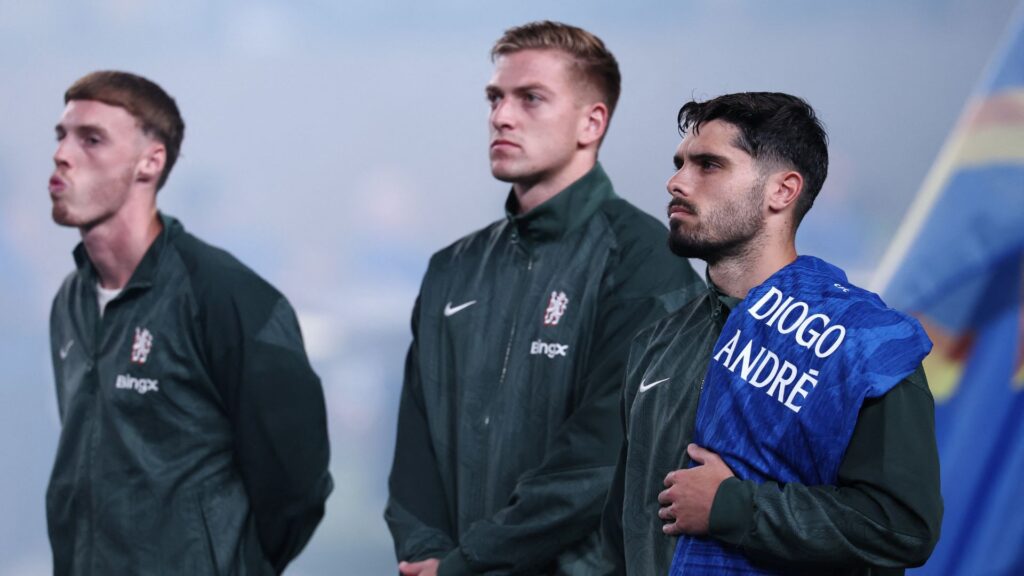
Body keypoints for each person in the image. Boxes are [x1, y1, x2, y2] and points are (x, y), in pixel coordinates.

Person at [384, 21, 701, 576]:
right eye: (495, 98)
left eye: (530, 98)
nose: (501, 116)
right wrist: (425, 554)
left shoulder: (646, 262)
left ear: (591, 122)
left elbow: (601, 460)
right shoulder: (452, 268)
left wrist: (468, 563)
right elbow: (415, 452)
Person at [601, 92, 943, 575]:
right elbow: (620, 534)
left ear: (782, 191)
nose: (676, 182)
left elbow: (901, 526)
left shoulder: (863, 341)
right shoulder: (657, 344)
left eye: (709, 165)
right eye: (680, 164)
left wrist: (732, 507)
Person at [46, 70, 332, 575]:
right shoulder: (71, 300)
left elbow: (297, 481)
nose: (62, 155)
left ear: (150, 162)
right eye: (61, 136)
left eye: (91, 139)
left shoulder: (224, 296)